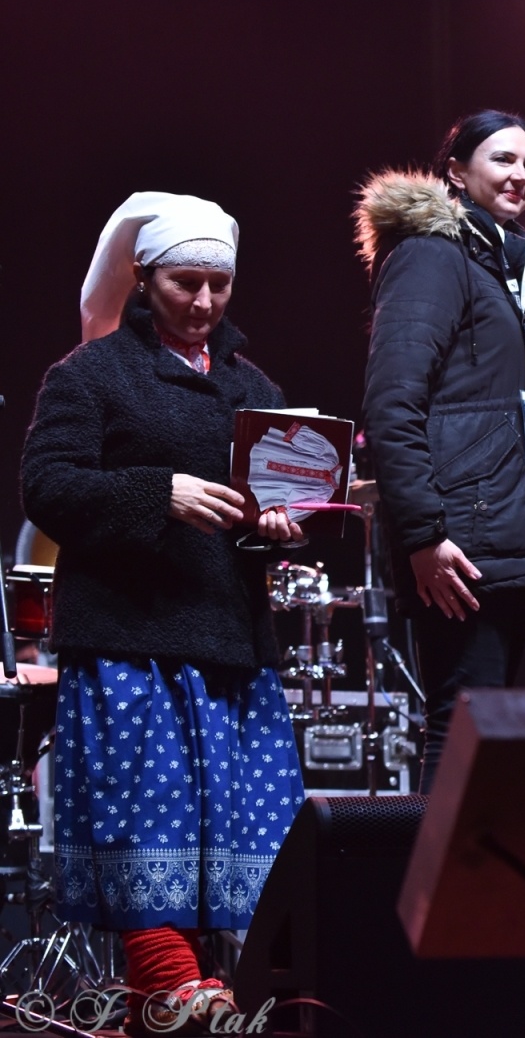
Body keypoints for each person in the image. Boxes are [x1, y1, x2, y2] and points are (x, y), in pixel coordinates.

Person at [21, 193, 305, 1032]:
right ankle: (169, 981)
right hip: (129, 638)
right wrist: (160, 492)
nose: (206, 303)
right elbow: (47, 488)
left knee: (241, 831)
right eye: (187, 283)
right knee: (144, 817)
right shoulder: (91, 375)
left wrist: (276, 526)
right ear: (144, 279)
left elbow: (265, 513)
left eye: (220, 285)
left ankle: (208, 991)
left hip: (229, 642)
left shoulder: (255, 389)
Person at [357, 110, 525, 792]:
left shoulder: (510, 264)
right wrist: (423, 533)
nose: (521, 175)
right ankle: (428, 900)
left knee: (499, 730)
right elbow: (392, 400)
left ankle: (476, 894)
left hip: (512, 527)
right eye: (503, 159)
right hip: (460, 534)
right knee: (460, 720)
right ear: (456, 171)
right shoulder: (429, 253)